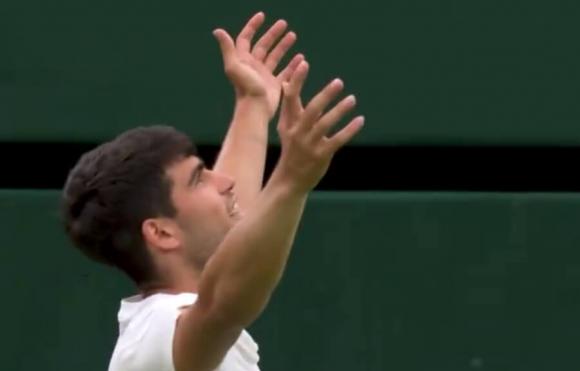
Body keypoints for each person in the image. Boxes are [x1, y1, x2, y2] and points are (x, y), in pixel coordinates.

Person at [60, 11, 364, 371]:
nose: (225, 182)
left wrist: (253, 103)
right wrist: (290, 180)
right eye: (199, 178)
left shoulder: (156, 327)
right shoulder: (158, 327)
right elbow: (223, 302)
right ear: (161, 232)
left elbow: (229, 239)